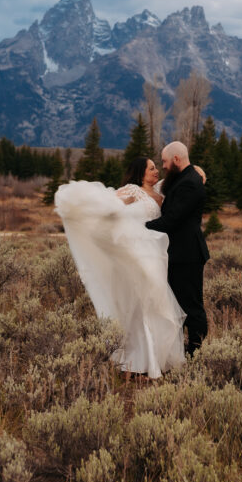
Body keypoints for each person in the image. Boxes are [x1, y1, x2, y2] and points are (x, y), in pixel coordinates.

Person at [54, 157, 186, 378]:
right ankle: (135, 362)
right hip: (133, 255)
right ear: (140, 173)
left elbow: (192, 174)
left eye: (156, 168)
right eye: (151, 168)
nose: (155, 172)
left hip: (154, 255)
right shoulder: (132, 191)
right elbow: (109, 209)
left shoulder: (161, 192)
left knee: (155, 304)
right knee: (137, 306)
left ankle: (155, 359)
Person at [145, 141, 209, 355]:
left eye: (164, 161)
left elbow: (172, 220)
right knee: (178, 304)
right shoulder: (184, 178)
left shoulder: (189, 183)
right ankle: (181, 351)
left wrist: (141, 226)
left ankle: (196, 351)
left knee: (191, 305)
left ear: (176, 159)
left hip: (187, 254)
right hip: (179, 253)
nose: (162, 166)